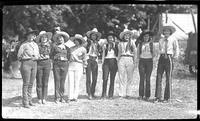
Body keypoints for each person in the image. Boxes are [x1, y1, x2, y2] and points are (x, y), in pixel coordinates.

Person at [154, 25, 180, 103]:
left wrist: (174, 57)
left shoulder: (173, 39)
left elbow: (176, 48)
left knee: (168, 77)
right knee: (159, 76)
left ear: (170, 32)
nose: (166, 32)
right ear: (163, 32)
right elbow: (159, 49)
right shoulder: (161, 40)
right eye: (165, 31)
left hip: (169, 57)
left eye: (168, 31)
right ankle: (158, 97)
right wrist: (158, 56)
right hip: (161, 58)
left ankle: (167, 97)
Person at [17, 28, 39, 108]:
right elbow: (19, 56)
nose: (31, 36)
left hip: (35, 63)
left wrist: (36, 57)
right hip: (26, 63)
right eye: (29, 35)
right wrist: (27, 57)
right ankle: (25, 102)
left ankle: (30, 100)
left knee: (31, 83)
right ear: (27, 36)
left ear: (34, 36)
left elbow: (38, 54)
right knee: (26, 83)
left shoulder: (35, 45)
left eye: (33, 35)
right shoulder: (24, 45)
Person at [50, 30, 71, 103]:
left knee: (63, 81)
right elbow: (51, 55)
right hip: (57, 64)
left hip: (65, 64)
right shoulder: (54, 47)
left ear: (64, 39)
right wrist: (55, 59)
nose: (60, 39)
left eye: (61, 38)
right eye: (58, 38)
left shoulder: (67, 48)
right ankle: (57, 97)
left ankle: (62, 97)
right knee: (57, 80)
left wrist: (66, 61)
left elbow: (69, 57)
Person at [117, 28, 137, 99]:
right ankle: (121, 94)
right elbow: (119, 53)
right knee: (121, 76)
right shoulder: (120, 43)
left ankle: (128, 93)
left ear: (130, 36)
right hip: (122, 58)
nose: (127, 37)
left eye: (128, 35)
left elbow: (135, 52)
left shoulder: (132, 42)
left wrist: (135, 61)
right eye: (125, 35)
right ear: (123, 36)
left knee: (130, 77)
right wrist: (118, 61)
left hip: (130, 58)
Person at [137, 30, 156, 101]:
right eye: (144, 36)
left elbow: (154, 53)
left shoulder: (152, 44)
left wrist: (152, 59)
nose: (146, 38)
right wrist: (137, 61)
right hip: (142, 61)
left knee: (148, 78)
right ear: (143, 37)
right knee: (142, 78)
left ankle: (147, 95)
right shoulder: (140, 44)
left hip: (149, 61)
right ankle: (141, 95)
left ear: (149, 37)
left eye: (147, 36)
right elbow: (138, 53)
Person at [67, 34, 87, 102]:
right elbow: (68, 57)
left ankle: (75, 97)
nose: (76, 41)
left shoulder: (83, 49)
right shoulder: (71, 48)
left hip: (78, 65)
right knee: (70, 81)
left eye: (77, 40)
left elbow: (84, 59)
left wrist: (84, 68)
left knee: (77, 81)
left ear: (80, 41)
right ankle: (70, 97)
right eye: (75, 40)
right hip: (71, 65)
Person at [35, 31, 52, 104]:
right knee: (39, 81)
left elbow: (54, 54)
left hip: (47, 63)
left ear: (47, 38)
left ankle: (44, 97)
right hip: (39, 63)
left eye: (45, 37)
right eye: (42, 37)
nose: (44, 38)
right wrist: (38, 56)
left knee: (45, 81)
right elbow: (35, 55)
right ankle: (39, 97)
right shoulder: (37, 46)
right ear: (40, 39)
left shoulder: (50, 46)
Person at [101, 31, 118, 99]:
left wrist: (114, 46)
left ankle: (110, 94)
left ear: (113, 38)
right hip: (106, 61)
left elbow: (117, 54)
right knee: (105, 78)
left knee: (112, 79)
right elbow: (103, 55)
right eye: (109, 38)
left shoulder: (116, 45)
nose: (110, 39)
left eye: (111, 38)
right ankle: (103, 94)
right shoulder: (105, 45)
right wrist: (102, 63)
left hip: (113, 61)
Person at [85, 28, 102, 100]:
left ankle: (92, 92)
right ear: (90, 36)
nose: (93, 37)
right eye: (92, 35)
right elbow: (84, 51)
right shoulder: (87, 43)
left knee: (95, 78)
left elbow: (100, 53)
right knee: (88, 77)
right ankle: (89, 93)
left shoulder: (98, 44)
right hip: (89, 59)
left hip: (95, 60)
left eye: (95, 35)